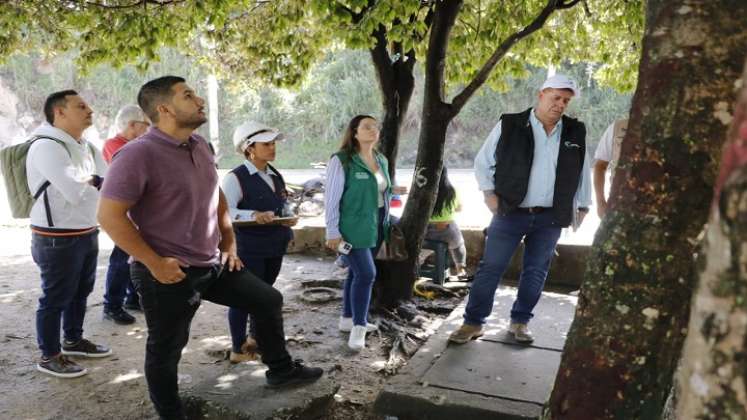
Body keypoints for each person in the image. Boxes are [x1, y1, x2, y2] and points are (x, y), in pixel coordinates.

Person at [97, 76, 322, 420]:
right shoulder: (136, 155)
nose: (199, 99)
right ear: (165, 109)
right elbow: (110, 216)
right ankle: (171, 413)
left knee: (268, 300)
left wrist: (228, 242)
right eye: (188, 95)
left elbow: (214, 195)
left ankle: (281, 369)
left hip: (212, 263)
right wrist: (154, 263)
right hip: (166, 272)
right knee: (167, 348)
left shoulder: (200, 145)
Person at [449, 74, 592, 345]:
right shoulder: (511, 124)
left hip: (551, 216)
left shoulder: (575, 131)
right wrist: (489, 196)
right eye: (556, 98)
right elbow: (483, 162)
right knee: (491, 268)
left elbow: (582, 170)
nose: (560, 104)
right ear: (541, 94)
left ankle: (520, 322)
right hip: (510, 212)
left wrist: (583, 206)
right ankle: (472, 323)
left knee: (537, 271)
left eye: (566, 100)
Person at [28, 90, 111, 378]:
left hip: (86, 228)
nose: (90, 110)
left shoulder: (85, 145)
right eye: (81, 106)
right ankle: (49, 355)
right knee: (56, 296)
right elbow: (74, 188)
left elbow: (108, 178)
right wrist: (96, 180)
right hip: (56, 235)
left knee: (80, 291)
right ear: (59, 112)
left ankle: (74, 340)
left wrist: (96, 180)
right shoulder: (46, 146)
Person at [324, 115, 406, 351]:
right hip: (352, 228)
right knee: (367, 274)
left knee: (356, 272)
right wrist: (332, 231)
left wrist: (393, 190)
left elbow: (378, 189)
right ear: (354, 132)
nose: (374, 130)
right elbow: (331, 199)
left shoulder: (380, 159)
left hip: (378, 223)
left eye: (376, 127)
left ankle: (347, 319)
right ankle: (359, 326)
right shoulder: (342, 160)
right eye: (367, 127)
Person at [222, 120, 297, 363]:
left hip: (274, 245)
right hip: (250, 248)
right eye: (267, 144)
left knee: (264, 295)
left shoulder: (274, 174)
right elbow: (225, 211)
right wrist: (252, 215)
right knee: (243, 296)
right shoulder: (235, 178)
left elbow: (280, 206)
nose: (273, 148)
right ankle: (237, 348)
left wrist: (287, 221)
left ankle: (255, 339)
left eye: (274, 143)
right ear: (249, 148)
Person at [101, 105, 150, 325]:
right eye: (145, 125)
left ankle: (132, 299)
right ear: (132, 125)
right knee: (120, 261)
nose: (148, 129)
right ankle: (112, 305)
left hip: (137, 214)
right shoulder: (115, 146)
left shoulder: (134, 146)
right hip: (123, 216)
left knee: (133, 258)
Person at [424, 167, 467, 277]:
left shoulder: (424, 190)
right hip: (447, 231)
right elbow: (459, 208)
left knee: (420, 251)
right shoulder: (452, 190)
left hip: (427, 233)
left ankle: (416, 267)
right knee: (459, 244)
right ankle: (460, 269)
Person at [593, 118, 628, 218]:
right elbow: (600, 166)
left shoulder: (670, 129)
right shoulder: (617, 128)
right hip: (619, 206)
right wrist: (600, 203)